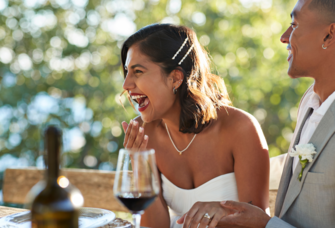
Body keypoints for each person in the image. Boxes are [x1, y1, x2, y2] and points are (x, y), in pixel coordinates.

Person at [193, 0, 335, 227]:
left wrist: (265, 224)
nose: (284, 37)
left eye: (294, 25)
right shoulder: (310, 101)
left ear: (329, 35)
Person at [121, 24, 269, 228]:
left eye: (137, 71)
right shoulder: (143, 132)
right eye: (127, 71)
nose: (126, 85)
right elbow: (154, 226)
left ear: (175, 78)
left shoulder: (240, 128)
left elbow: (259, 224)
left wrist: (222, 213)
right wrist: (140, 167)